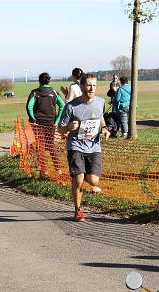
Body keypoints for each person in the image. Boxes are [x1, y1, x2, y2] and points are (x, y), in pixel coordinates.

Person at [58, 73, 110, 222]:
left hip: (93, 146)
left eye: (94, 85)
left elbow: (100, 116)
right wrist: (68, 127)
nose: (91, 88)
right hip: (76, 145)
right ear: (81, 86)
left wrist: (105, 128)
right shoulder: (71, 106)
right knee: (79, 178)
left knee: (93, 181)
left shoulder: (100, 101)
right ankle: (78, 210)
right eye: (88, 85)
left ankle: (80, 176)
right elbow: (60, 129)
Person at [26, 72, 65, 175]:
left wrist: (33, 119)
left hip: (38, 124)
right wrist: (57, 120)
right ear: (49, 80)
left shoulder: (35, 93)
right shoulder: (54, 92)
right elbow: (62, 106)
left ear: (39, 81)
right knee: (51, 145)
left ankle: (44, 170)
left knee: (41, 146)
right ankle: (58, 169)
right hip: (51, 123)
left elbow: (29, 107)